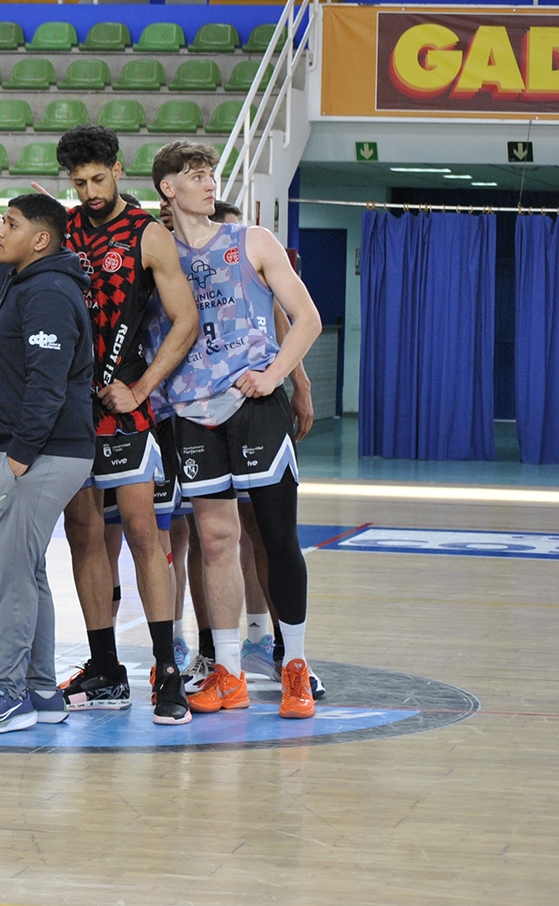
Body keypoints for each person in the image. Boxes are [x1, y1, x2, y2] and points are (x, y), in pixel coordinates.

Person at [151, 141, 322, 720]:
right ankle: (228, 674)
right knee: (216, 541)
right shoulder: (158, 252)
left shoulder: (253, 240)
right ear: (168, 188)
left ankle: (294, 666)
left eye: (211, 175)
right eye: (196, 176)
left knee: (277, 537)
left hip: (255, 404)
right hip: (192, 411)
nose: (209, 184)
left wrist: (276, 375)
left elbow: (307, 318)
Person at [39, 126, 197, 725]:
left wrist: (141, 388)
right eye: (78, 182)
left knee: (143, 533)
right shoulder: (63, 229)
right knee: (83, 534)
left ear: (118, 169)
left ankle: (168, 671)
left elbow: (185, 321)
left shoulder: (148, 234)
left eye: (98, 179)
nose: (89, 192)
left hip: (126, 408)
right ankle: (106, 669)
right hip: (71, 408)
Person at [0, 194, 95, 734]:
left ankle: (9, 693)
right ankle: (41, 689)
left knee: (10, 575)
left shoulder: (49, 293)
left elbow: (47, 383)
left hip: (38, 453)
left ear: (40, 240)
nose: (0, 233)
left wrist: (19, 455)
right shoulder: (30, 278)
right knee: (28, 571)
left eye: (10, 225)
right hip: (42, 451)